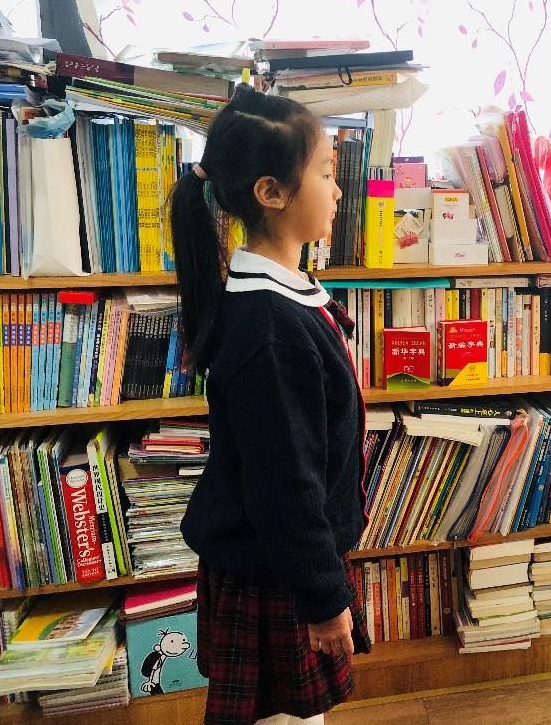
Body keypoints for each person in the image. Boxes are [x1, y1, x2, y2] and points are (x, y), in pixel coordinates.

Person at [172, 85, 371, 725]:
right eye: (326, 173)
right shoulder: (270, 328)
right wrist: (324, 598)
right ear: (272, 192)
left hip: (283, 562)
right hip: (279, 573)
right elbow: (285, 483)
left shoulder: (281, 296)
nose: (337, 191)